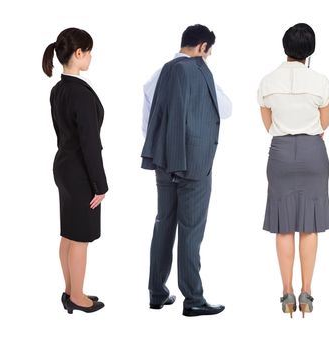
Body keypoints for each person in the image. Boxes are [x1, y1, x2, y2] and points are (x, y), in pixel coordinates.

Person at [141, 24, 226, 317]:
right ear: (202, 46)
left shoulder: (162, 71)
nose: (209, 55)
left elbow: (150, 117)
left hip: (163, 160)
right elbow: (224, 109)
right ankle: (193, 299)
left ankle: (157, 292)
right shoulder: (199, 71)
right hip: (193, 163)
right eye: (209, 49)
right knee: (191, 231)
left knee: (163, 224)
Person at [258, 23, 329, 318]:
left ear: (284, 47)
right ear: (310, 51)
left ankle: (286, 293)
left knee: (284, 224)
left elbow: (267, 124)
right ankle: (307, 292)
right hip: (314, 152)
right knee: (310, 223)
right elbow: (325, 121)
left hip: (280, 153)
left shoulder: (267, 81)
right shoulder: (320, 81)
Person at [43, 27, 107, 314]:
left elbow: (63, 134)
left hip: (63, 165)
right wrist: (101, 184)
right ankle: (78, 297)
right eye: (89, 51)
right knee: (80, 237)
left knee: (69, 233)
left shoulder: (59, 88)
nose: (91, 56)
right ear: (78, 54)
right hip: (81, 170)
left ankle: (70, 290)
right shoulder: (80, 93)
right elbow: (90, 143)